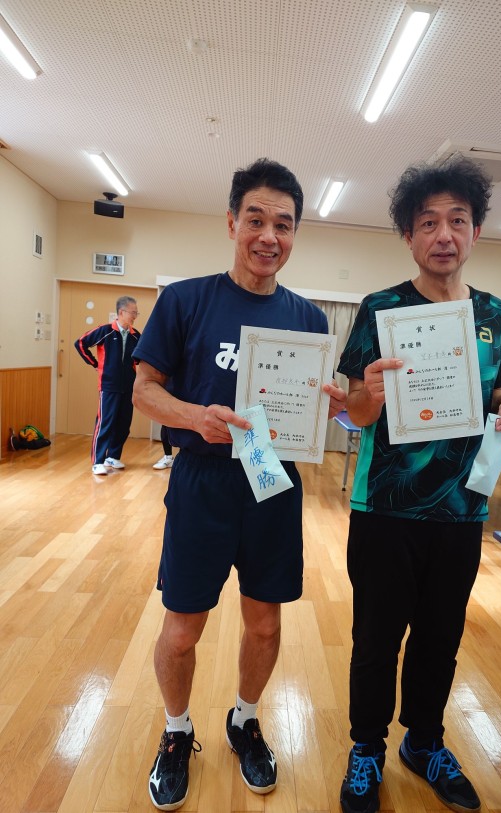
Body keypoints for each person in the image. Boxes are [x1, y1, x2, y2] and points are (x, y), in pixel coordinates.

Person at [131, 158, 346, 811]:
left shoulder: (308, 319)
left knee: (265, 625)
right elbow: (143, 390)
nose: (268, 236)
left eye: (283, 224)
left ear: (294, 233)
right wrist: (194, 416)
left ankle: (245, 719)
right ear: (232, 223)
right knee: (181, 629)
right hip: (203, 480)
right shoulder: (184, 300)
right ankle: (176, 730)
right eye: (256, 219)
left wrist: (332, 407)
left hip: (272, 481)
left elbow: (314, 410)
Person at [337, 157, 501, 813]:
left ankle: (423, 742)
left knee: (439, 639)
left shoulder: (492, 312)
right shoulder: (381, 308)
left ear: (475, 231)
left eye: (457, 220)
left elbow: (495, 388)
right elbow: (353, 411)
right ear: (409, 236)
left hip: (460, 509)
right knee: (376, 640)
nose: (443, 234)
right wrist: (367, 395)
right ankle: (366, 748)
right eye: (428, 222)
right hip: (385, 507)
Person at [75, 295, 141, 475]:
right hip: (109, 385)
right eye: (133, 312)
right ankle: (98, 461)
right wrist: (95, 364)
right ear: (121, 312)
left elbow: (139, 359)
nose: (135, 316)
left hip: (128, 386)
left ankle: (113, 456)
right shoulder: (105, 331)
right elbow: (80, 343)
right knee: (105, 422)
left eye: (136, 313)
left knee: (124, 424)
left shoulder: (136, 336)